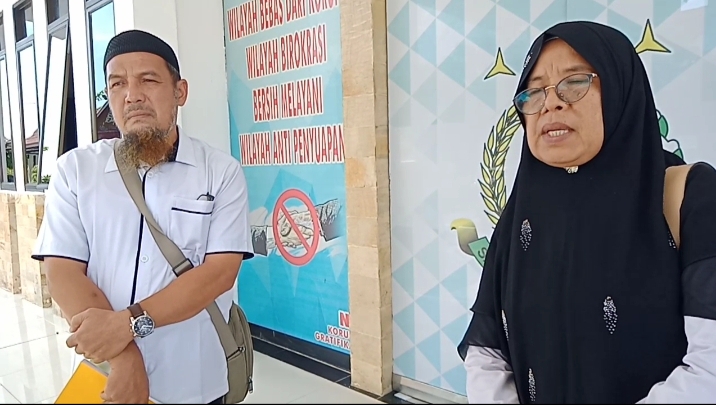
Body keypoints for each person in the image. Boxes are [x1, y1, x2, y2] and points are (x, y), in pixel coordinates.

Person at [458, 21, 716, 404]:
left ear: (620, 89)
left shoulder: (689, 196)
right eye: (534, 92)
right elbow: (487, 346)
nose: (551, 103)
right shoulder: (521, 213)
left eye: (575, 82)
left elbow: (710, 367)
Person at [32, 30, 253, 404]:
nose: (132, 95)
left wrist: (125, 325)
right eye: (117, 84)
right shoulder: (75, 171)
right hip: (105, 377)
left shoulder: (220, 172)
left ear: (180, 91)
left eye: (148, 80)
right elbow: (62, 271)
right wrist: (124, 356)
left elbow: (219, 273)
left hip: (195, 380)